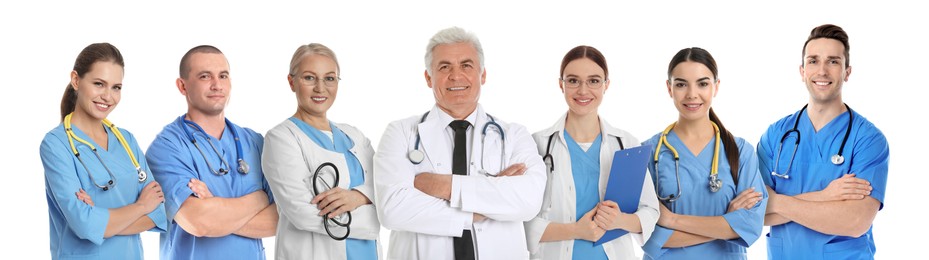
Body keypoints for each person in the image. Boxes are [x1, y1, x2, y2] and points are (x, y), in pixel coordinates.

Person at [373, 26, 546, 260]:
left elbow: (528, 201)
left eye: (466, 65)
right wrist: (487, 198)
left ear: (482, 75)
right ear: (428, 77)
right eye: (444, 67)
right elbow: (392, 210)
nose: (456, 76)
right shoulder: (401, 133)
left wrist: (443, 186)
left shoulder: (514, 135)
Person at [758, 24, 889, 259]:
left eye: (833, 61)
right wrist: (825, 196)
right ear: (802, 71)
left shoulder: (868, 140)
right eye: (813, 61)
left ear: (847, 72)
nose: (822, 71)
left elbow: (855, 221)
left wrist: (776, 201)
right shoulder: (775, 136)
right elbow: (753, 214)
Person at [525, 45, 659, 259]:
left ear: (607, 85)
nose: (583, 90)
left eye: (594, 81)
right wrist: (576, 230)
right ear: (561, 84)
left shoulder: (627, 144)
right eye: (573, 80)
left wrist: (619, 221)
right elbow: (521, 218)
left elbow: (650, 211)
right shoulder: (537, 145)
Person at [146, 45, 278, 260]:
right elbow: (199, 222)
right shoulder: (167, 147)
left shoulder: (254, 142)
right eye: (205, 76)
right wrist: (259, 199)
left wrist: (218, 210)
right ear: (182, 86)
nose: (217, 85)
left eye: (223, 76)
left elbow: (283, 220)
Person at [40, 42, 167, 259]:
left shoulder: (126, 140)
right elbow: (84, 225)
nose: (108, 96)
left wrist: (101, 220)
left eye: (116, 87)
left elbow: (158, 214)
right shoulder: (56, 144)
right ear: (76, 80)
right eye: (99, 84)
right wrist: (140, 206)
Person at [641, 47, 767, 259]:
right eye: (681, 84)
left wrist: (672, 220)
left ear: (716, 87)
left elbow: (750, 227)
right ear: (669, 88)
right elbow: (647, 235)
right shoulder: (648, 153)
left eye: (702, 83)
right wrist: (726, 222)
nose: (692, 94)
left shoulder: (741, 152)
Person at [262, 43, 380, 259]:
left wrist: (358, 197)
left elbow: (386, 186)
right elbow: (303, 214)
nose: (320, 88)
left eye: (329, 78)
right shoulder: (282, 138)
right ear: (291, 82)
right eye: (309, 78)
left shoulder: (354, 136)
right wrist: (376, 216)